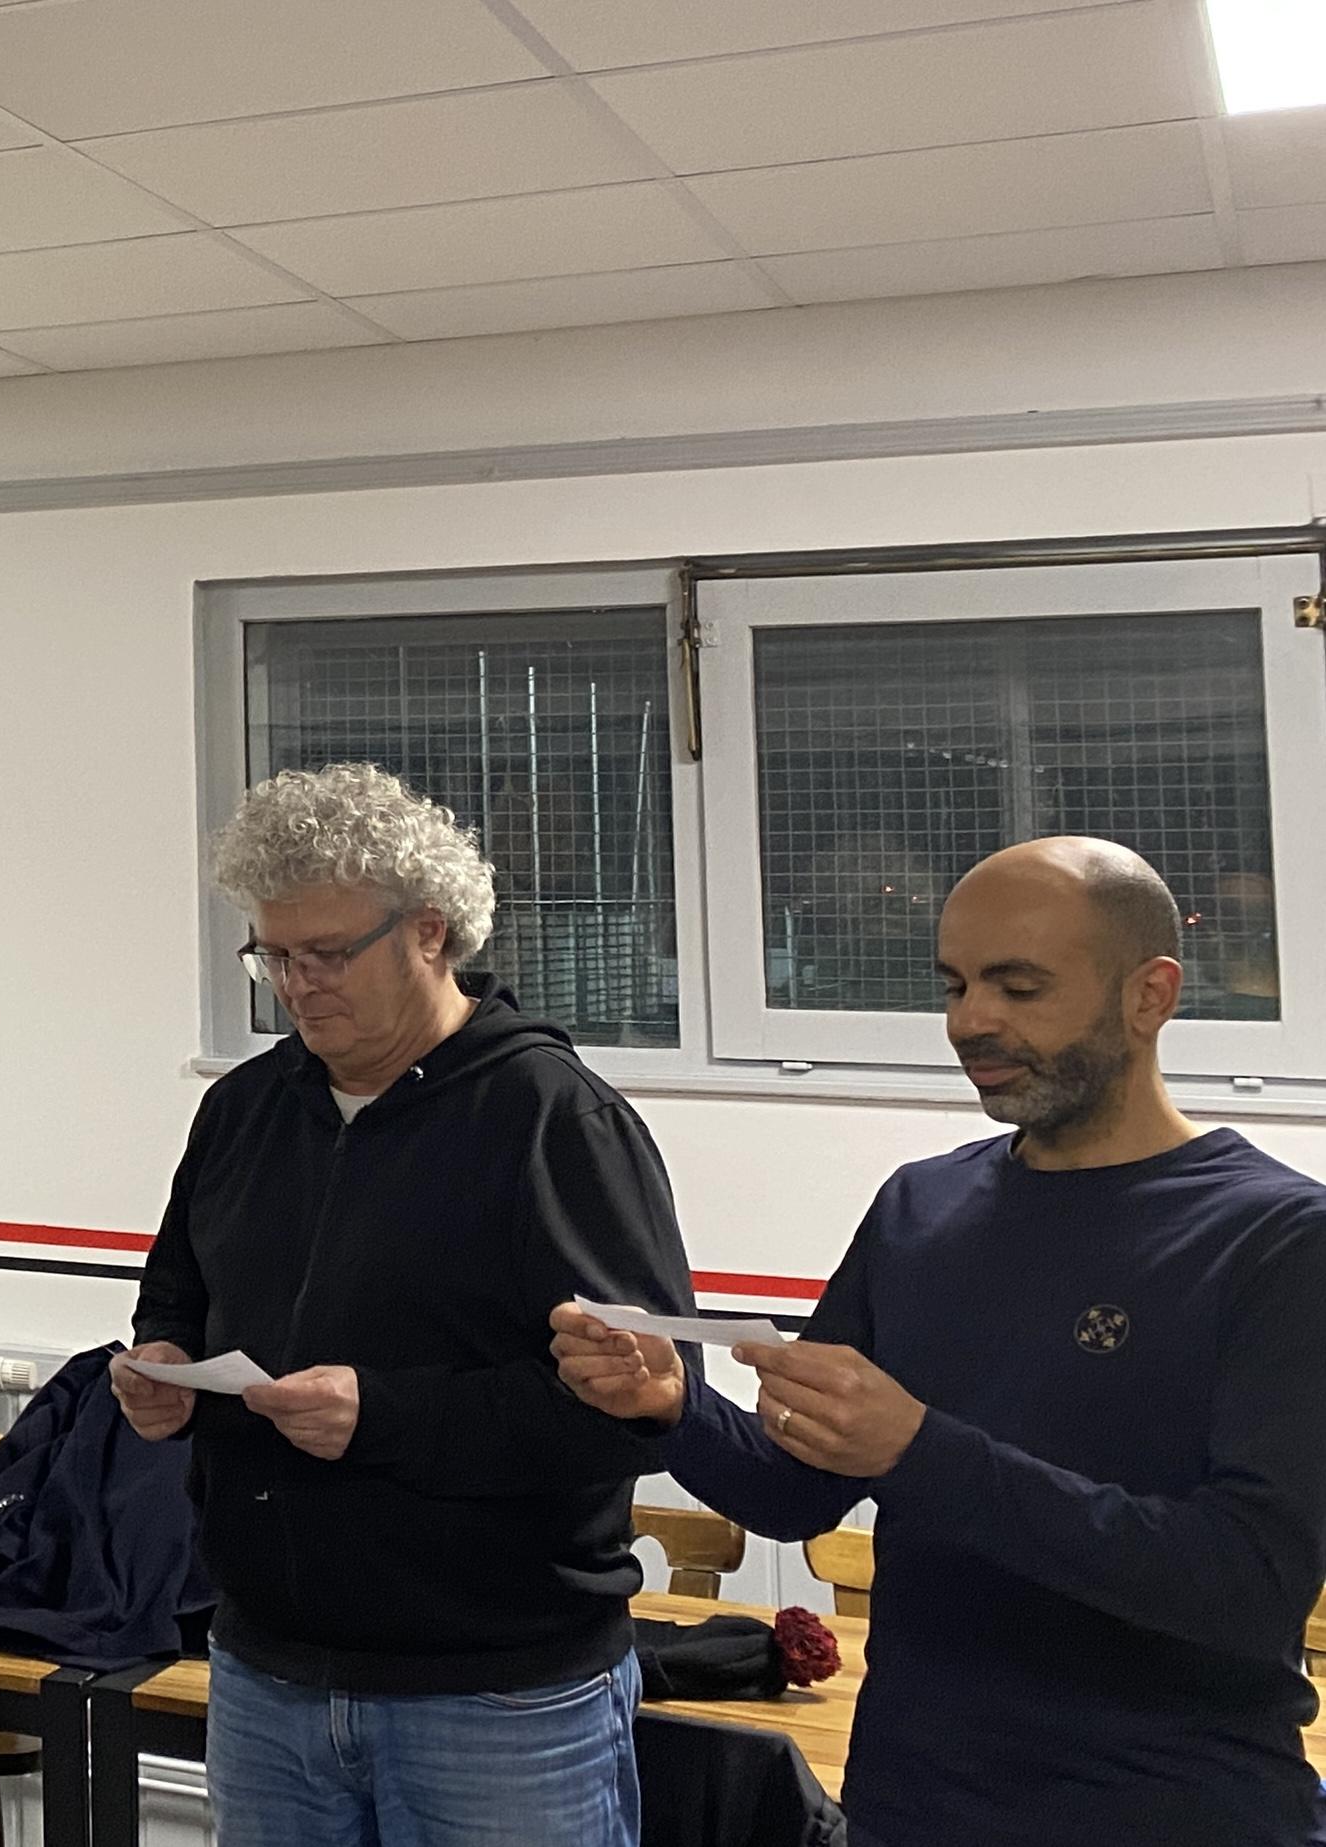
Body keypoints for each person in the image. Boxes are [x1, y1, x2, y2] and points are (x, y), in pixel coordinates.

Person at [552, 837, 1326, 1847]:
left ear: (1150, 994)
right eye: (954, 985)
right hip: (911, 1806)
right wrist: (671, 1406)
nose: (971, 1020)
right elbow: (794, 1493)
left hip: (1173, 1813)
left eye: (1018, 986)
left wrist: (919, 1450)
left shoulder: (1275, 1239)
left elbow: (1245, 1583)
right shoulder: (921, 1207)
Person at [115, 763, 695, 1847]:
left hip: (496, 1692)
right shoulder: (243, 1110)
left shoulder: (553, 1121)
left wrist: (382, 1415)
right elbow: (178, 1291)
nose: (296, 984)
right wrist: (164, 1365)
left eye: (327, 952)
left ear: (430, 932)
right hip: (265, 1670)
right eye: (273, 955)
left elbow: (635, 1412)